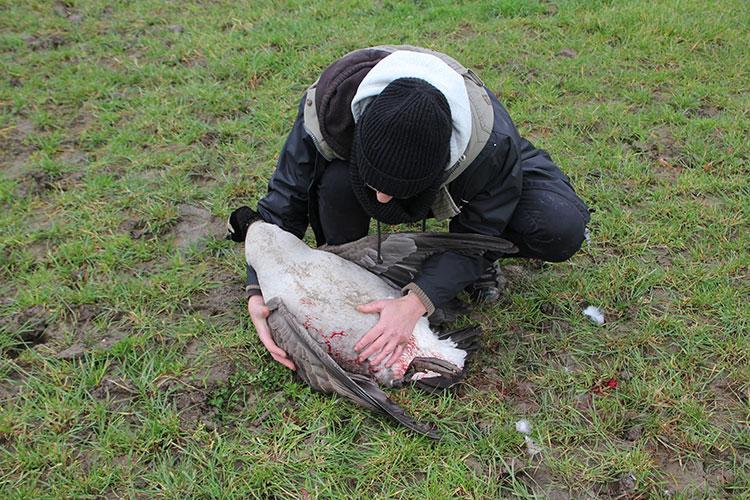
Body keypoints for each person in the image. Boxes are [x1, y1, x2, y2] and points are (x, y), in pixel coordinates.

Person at [244, 45, 590, 371]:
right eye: (373, 183)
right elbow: (283, 202)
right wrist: (258, 287)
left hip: (477, 166)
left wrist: (414, 304)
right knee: (333, 183)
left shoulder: (490, 145)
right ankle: (355, 267)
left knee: (558, 225)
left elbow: (483, 230)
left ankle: (468, 268)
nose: (379, 200)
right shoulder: (328, 111)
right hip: (363, 150)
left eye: (395, 191)